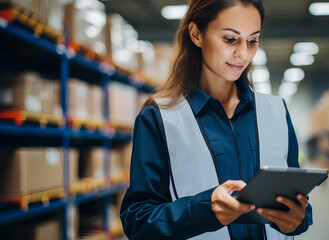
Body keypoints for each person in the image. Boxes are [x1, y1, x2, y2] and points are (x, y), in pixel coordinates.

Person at [120, 0, 313, 239]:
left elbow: (298, 201)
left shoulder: (276, 111)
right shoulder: (159, 116)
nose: (243, 54)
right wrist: (204, 209)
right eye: (230, 39)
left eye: (252, 41)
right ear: (197, 34)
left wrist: (297, 219)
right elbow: (137, 220)